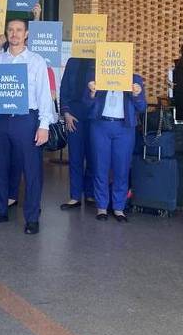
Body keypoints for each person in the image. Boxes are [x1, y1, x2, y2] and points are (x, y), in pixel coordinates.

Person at [0, 18, 56, 235]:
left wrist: (44, 125)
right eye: (11, 30)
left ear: (26, 34)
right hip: (1, 120)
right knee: (0, 167)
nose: (14, 34)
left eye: (19, 30)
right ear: (6, 33)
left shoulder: (36, 61)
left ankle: (32, 217)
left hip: (26, 120)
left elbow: (44, 96)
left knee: (32, 170)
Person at [86, 74, 147, 222]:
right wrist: (92, 93)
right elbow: (85, 105)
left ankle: (119, 207)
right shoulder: (97, 77)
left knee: (122, 168)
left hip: (124, 128)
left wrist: (137, 94)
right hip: (100, 126)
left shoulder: (135, 79)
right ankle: (101, 207)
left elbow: (142, 107)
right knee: (100, 167)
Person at [59, 55, 95, 210]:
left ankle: (90, 193)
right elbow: (64, 87)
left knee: (94, 156)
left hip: (95, 114)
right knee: (75, 156)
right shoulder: (72, 61)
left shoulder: (101, 60)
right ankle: (74, 197)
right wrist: (66, 112)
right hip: (74, 114)